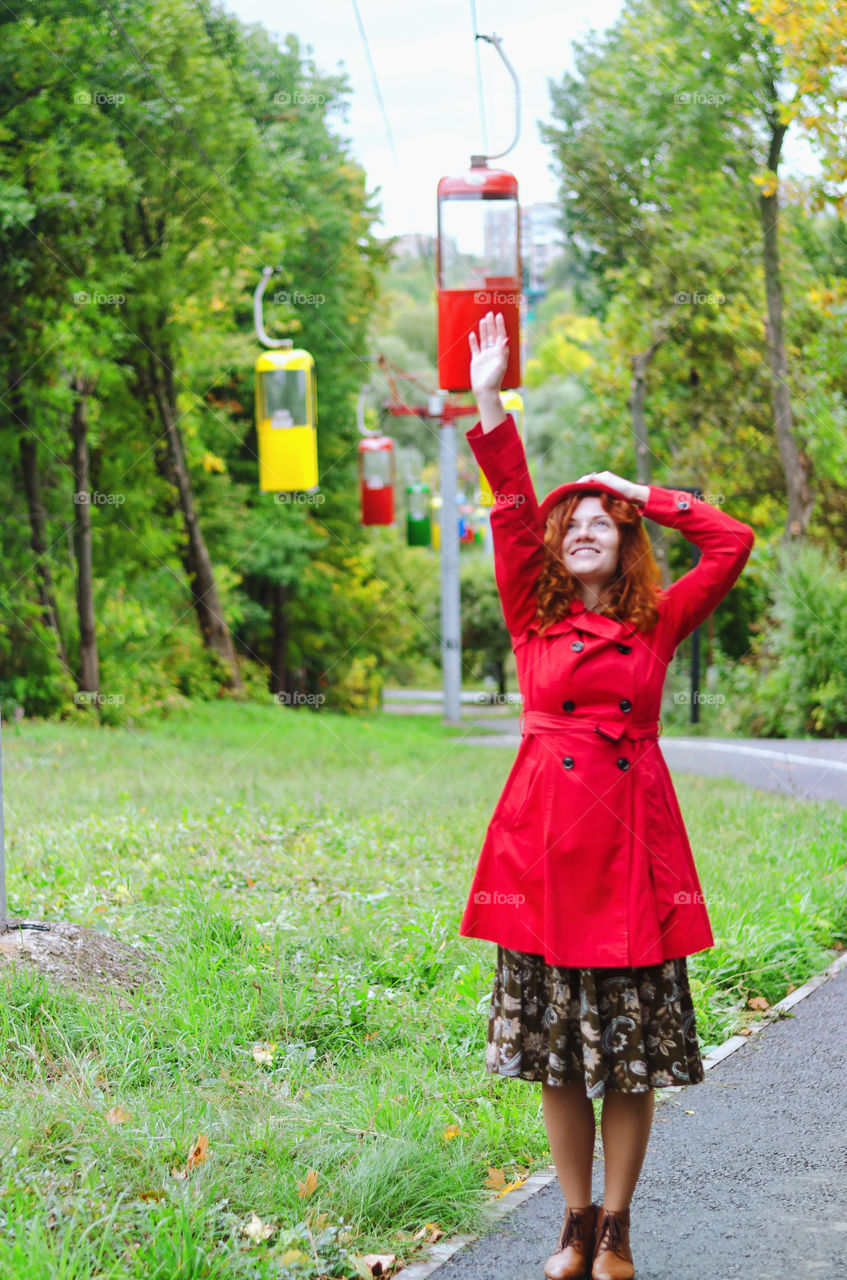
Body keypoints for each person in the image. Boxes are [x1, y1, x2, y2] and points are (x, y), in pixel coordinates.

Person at [461, 312, 755, 1280]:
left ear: (622, 541)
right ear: (549, 547)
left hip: (630, 847)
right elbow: (508, 498)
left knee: (628, 1051)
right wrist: (491, 396)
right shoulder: (528, 612)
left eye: (601, 520)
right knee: (557, 1054)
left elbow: (730, 540)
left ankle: (618, 1226)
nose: (583, 526)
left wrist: (643, 492)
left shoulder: (657, 624)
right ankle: (573, 1222)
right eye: (569, 520)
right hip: (545, 846)